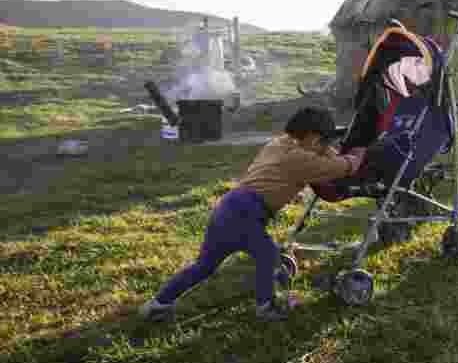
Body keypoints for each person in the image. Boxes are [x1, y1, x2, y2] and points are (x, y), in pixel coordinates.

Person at [139, 108, 367, 323]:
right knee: (268, 256)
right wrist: (359, 153)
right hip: (246, 212)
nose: (327, 147)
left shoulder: (279, 143)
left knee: (204, 266)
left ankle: (158, 304)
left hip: (229, 206)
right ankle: (265, 308)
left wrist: (325, 144)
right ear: (313, 139)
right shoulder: (301, 159)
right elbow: (343, 167)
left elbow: (319, 154)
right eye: (324, 142)